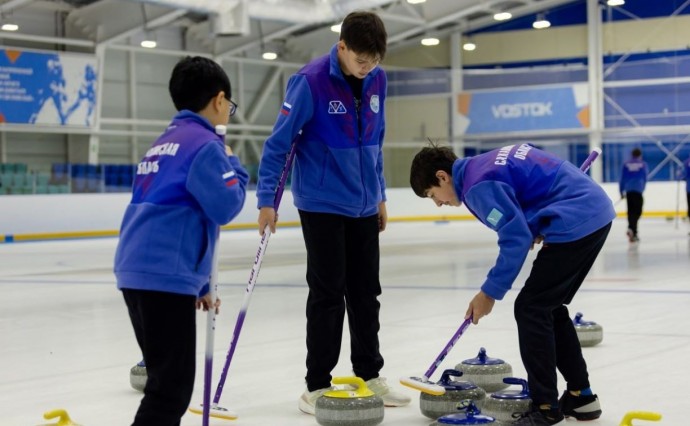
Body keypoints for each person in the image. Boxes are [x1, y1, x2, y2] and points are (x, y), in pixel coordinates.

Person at [255, 10, 410, 415]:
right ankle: (317, 384)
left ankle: (369, 373)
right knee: (328, 294)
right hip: (322, 203)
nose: (368, 68)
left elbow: (376, 139)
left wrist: (378, 196)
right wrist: (267, 200)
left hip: (362, 203)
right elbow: (278, 145)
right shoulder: (309, 82)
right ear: (341, 47)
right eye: (361, 60)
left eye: (374, 60)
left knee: (366, 292)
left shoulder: (378, 78)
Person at [409, 143, 615, 426]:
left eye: (433, 195)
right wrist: (535, 222)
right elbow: (531, 187)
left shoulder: (477, 186)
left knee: (531, 308)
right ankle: (582, 396)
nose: (438, 203)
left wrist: (488, 293)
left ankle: (545, 408)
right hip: (592, 212)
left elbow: (514, 239)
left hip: (576, 219)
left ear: (442, 176)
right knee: (547, 306)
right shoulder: (482, 165)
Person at [114, 56, 248, 426]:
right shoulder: (205, 145)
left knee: (163, 381)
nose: (228, 115)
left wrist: (201, 283)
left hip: (137, 271)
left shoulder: (163, 143)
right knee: (170, 390)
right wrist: (235, 165)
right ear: (219, 100)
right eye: (229, 107)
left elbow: (182, 211)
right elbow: (225, 206)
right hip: (163, 274)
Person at [619, 147, 648, 242]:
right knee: (638, 211)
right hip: (638, 190)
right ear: (640, 155)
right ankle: (633, 230)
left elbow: (622, 178)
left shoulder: (626, 164)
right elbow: (645, 177)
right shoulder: (643, 164)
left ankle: (631, 228)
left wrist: (621, 191)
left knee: (631, 211)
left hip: (629, 190)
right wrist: (643, 188)